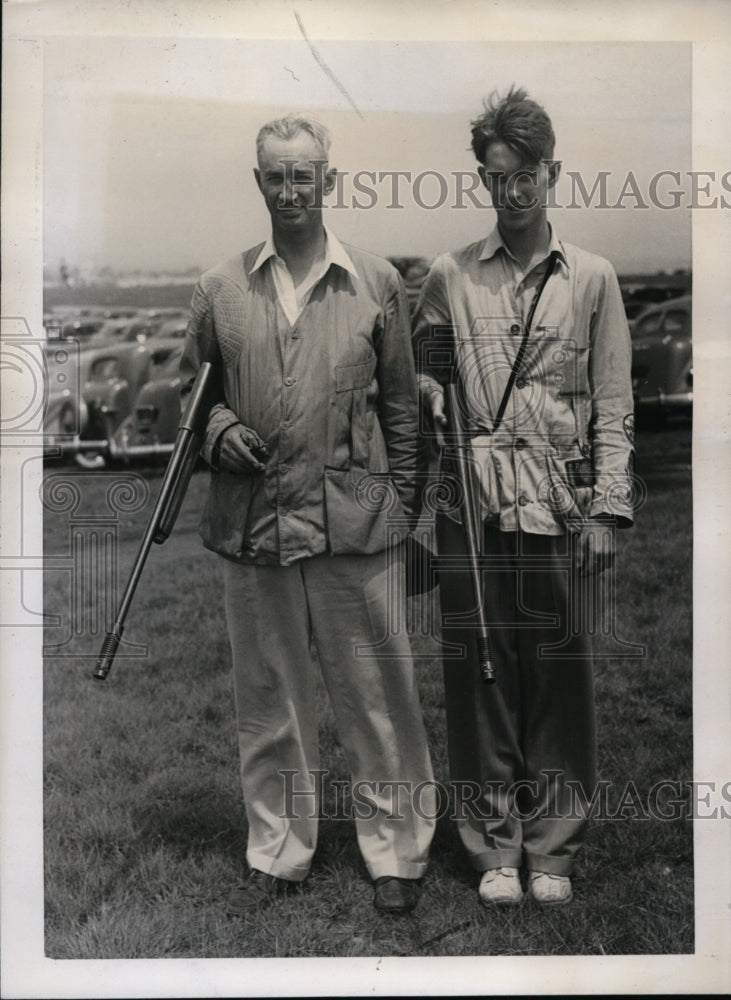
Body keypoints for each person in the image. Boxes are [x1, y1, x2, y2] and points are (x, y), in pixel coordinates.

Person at [180, 114, 435, 914]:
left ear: (329, 180)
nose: (291, 189)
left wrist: (399, 510)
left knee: (375, 695)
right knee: (270, 697)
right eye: (276, 175)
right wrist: (217, 430)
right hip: (253, 524)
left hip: (357, 523)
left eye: (305, 174)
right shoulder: (220, 288)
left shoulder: (375, 281)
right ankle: (278, 848)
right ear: (257, 182)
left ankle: (396, 852)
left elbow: (402, 410)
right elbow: (193, 402)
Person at [412, 87, 635, 906]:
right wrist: (433, 393)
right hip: (470, 510)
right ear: (482, 178)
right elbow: (423, 371)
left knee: (557, 678)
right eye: (494, 177)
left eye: (525, 177)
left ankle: (553, 848)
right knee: (480, 679)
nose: (511, 194)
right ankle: (491, 846)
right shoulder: (449, 275)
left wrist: (609, 507)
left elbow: (613, 400)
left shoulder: (594, 280)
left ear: (551, 174)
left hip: (557, 505)